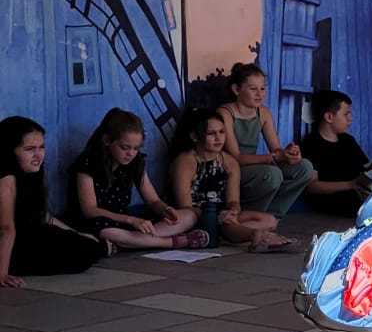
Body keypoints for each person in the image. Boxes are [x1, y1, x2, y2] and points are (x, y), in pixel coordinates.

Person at [70, 110, 208, 253]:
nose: (131, 153)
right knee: (107, 232)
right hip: (101, 222)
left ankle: (128, 243)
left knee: (189, 216)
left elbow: (152, 200)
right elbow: (90, 210)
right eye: (125, 148)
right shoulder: (88, 163)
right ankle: (170, 242)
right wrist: (130, 220)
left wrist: (165, 209)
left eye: (136, 148)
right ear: (107, 141)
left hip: (127, 225)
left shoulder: (135, 162)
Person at [0, 117, 106, 286]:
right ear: (10, 151)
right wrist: (2, 273)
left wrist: (76, 233)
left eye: (41, 147)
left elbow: (41, 214)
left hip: (26, 235)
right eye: (29, 149)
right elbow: (5, 227)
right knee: (83, 253)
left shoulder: (30, 172)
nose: (38, 155)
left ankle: (102, 245)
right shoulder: (6, 178)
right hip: (10, 244)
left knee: (86, 242)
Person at [169, 108, 293, 251]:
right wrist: (216, 217)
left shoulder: (229, 162)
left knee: (269, 220)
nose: (218, 138)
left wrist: (232, 210)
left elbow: (233, 200)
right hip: (195, 217)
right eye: (211, 133)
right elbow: (185, 206)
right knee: (226, 224)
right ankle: (255, 235)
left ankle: (228, 232)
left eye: (222, 132)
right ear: (195, 137)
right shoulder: (185, 161)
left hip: (221, 216)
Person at [216, 63, 315, 217]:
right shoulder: (225, 113)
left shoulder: (264, 113)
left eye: (262, 88)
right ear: (236, 89)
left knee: (305, 167)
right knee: (271, 174)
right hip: (233, 170)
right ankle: (248, 215)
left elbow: (276, 149)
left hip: (255, 167)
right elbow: (235, 158)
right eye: (253, 89)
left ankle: (271, 215)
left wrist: (288, 153)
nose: (260, 94)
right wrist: (274, 157)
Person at [303, 89, 369, 220]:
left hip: (358, 192)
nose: (350, 119)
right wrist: (351, 184)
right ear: (329, 117)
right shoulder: (311, 144)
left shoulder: (348, 141)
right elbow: (312, 186)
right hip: (334, 199)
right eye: (346, 114)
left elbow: (367, 167)